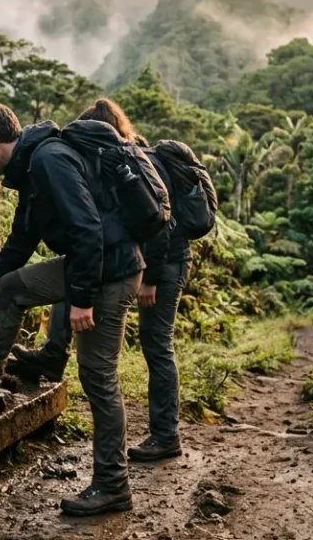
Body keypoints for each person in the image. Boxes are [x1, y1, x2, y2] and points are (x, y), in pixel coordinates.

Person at [0, 102, 142, 517]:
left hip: (111, 271)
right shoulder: (31, 167)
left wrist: (80, 300)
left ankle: (113, 485)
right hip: (91, 266)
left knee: (97, 376)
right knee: (11, 288)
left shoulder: (49, 160)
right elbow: (20, 242)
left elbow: (87, 229)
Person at [11, 98, 191, 463]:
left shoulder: (136, 160)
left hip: (165, 263)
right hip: (140, 261)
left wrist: (151, 279)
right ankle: (52, 354)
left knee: (156, 344)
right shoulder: (108, 161)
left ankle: (165, 434)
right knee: (78, 276)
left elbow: (162, 228)